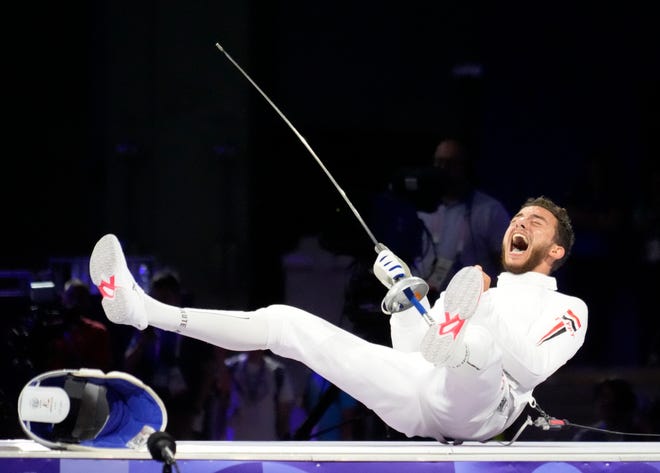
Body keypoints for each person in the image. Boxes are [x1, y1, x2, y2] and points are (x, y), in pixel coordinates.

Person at [89, 195, 587, 443]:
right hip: (421, 396)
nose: (519, 225)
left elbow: (531, 368)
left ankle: (460, 339)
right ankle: (143, 310)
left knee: (476, 341)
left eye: (534, 223)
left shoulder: (567, 310)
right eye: (517, 219)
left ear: (556, 248)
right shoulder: (475, 289)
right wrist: (401, 296)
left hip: (485, 411)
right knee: (285, 322)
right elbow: (415, 356)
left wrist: (473, 318)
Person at [412, 137, 511, 300]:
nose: (442, 170)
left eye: (450, 163)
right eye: (438, 162)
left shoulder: (490, 210)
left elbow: (505, 266)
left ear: (465, 167)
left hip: (471, 305)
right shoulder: (423, 207)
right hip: (424, 300)